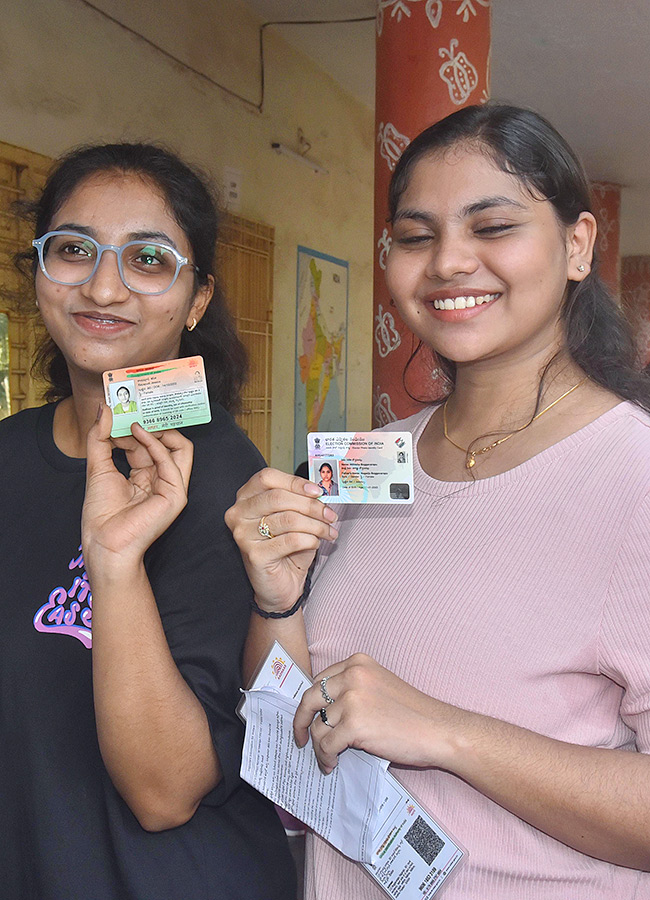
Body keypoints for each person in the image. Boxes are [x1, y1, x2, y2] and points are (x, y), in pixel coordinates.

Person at [225, 104, 650, 899]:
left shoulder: (633, 476)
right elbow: (290, 754)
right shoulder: (369, 462)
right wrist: (275, 600)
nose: (450, 261)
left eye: (492, 227)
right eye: (416, 238)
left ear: (578, 246)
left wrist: (446, 732)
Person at [1, 142, 295, 899]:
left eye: (149, 260)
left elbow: (165, 792)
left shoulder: (223, 478)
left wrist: (114, 561)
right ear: (38, 273)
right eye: (73, 250)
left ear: (196, 301)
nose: (104, 286)